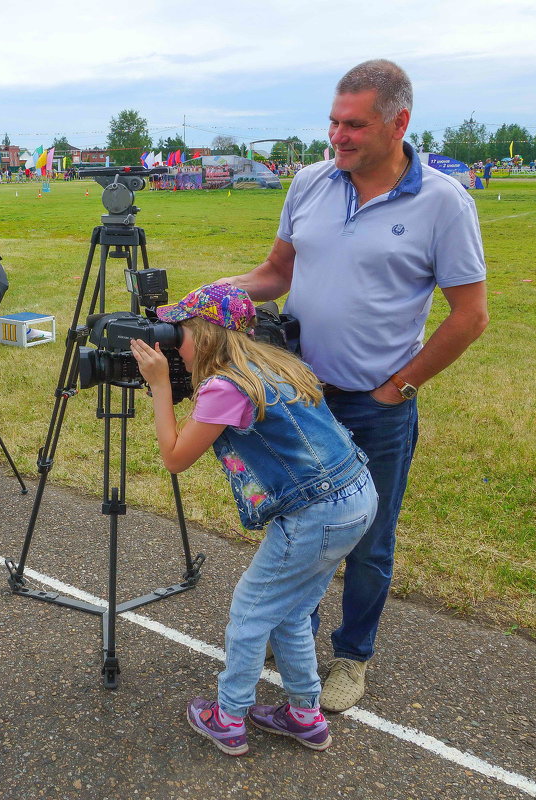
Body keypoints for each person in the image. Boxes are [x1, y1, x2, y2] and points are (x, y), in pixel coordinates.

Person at [221, 59, 488, 714]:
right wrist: (219, 293)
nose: (338, 136)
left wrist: (399, 386)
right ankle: (296, 635)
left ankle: (352, 656)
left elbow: (471, 315)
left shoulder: (443, 203)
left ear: (399, 123)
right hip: (302, 399)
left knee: (370, 537)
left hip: (377, 407)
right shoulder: (310, 182)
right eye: (334, 122)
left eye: (354, 125)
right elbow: (276, 272)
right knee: (298, 525)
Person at [130, 284, 377, 757]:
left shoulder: (226, 386)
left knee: (250, 612)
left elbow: (175, 457)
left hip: (313, 514)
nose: (171, 343)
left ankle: (228, 716)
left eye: (177, 332)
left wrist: (160, 385)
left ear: (202, 335)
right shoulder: (278, 363)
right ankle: (305, 715)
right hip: (358, 499)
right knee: (292, 610)